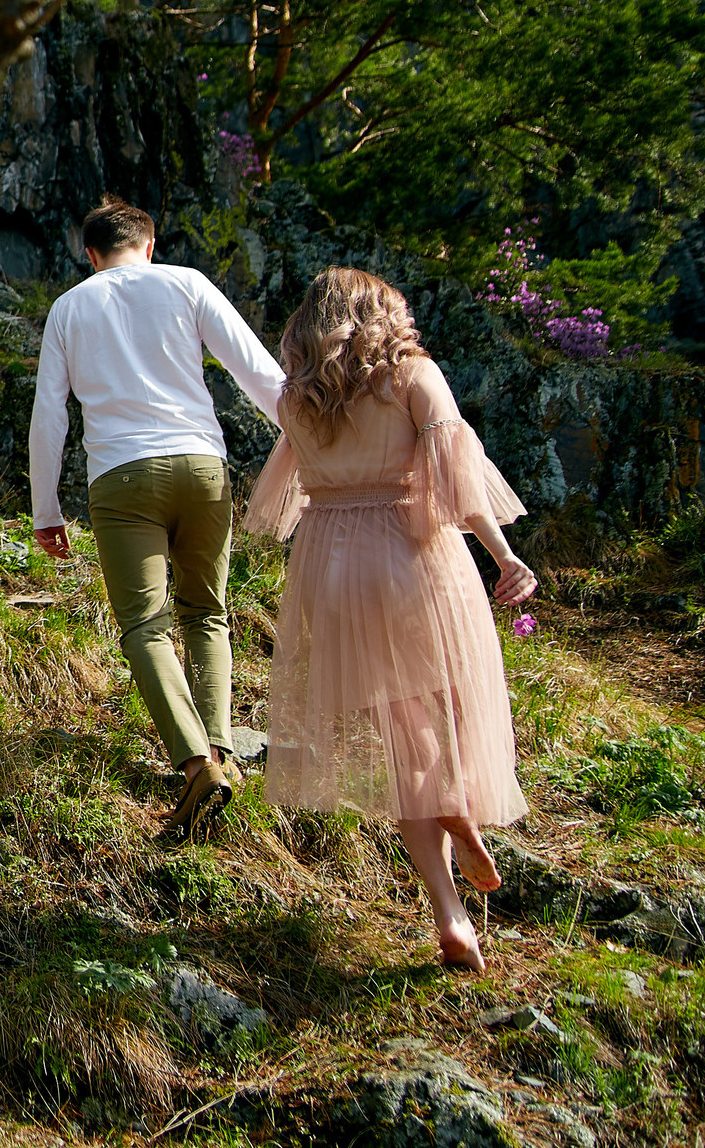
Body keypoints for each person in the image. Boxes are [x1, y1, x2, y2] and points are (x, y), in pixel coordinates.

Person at [245, 267, 535, 971]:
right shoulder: (411, 376)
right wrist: (504, 555)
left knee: (402, 735)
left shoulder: (297, 397)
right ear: (380, 313)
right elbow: (457, 477)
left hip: (328, 567)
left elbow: (279, 500)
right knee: (445, 710)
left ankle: (450, 913)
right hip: (409, 556)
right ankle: (458, 807)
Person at [29, 197, 286, 840]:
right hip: (203, 466)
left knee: (145, 624)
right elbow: (257, 372)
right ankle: (222, 747)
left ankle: (197, 764)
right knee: (209, 611)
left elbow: (49, 416)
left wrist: (46, 507)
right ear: (150, 245)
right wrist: (314, 444)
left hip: (121, 478)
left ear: (90, 256)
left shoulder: (68, 308)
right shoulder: (186, 282)